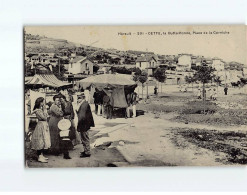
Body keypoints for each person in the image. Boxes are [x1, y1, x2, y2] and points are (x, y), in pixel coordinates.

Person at [31, 97, 51, 163]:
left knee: (43, 140)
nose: (43, 103)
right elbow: (45, 118)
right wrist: (45, 110)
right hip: (41, 126)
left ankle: (41, 155)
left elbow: (46, 117)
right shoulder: (38, 110)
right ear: (40, 102)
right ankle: (39, 156)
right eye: (42, 102)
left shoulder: (40, 109)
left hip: (43, 125)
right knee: (40, 140)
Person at [76, 93, 95, 158]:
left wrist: (79, 126)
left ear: (82, 98)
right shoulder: (84, 104)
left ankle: (87, 152)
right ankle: (86, 150)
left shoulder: (84, 104)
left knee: (85, 138)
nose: (78, 100)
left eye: (79, 98)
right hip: (85, 124)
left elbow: (82, 116)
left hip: (83, 124)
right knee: (84, 138)